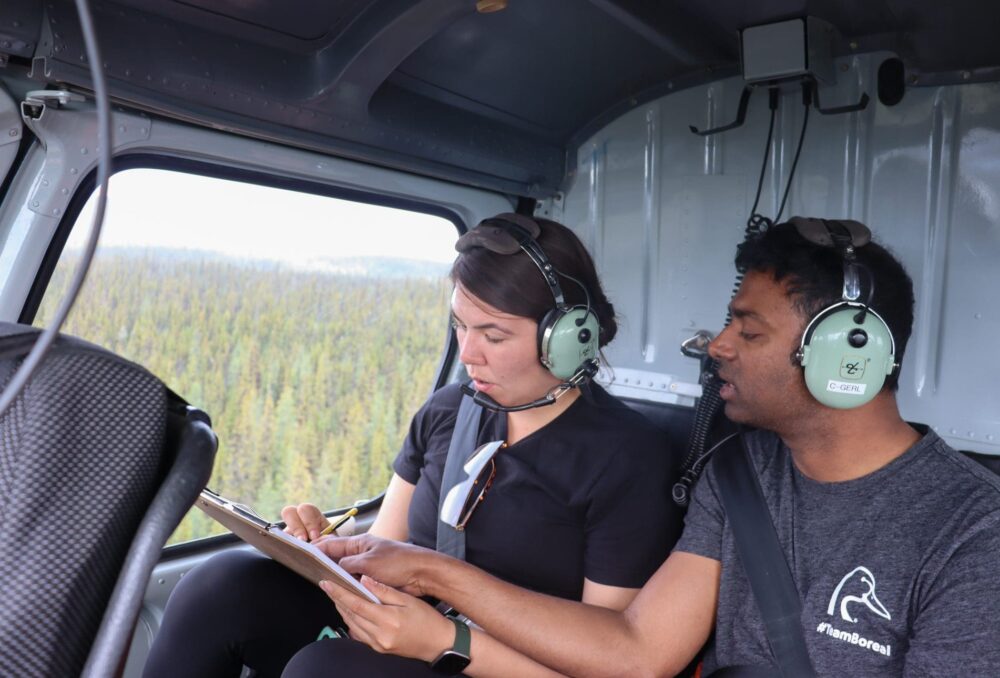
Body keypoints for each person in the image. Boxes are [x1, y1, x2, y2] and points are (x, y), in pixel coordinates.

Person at [317, 218, 1000, 677]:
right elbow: (640, 652)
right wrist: (435, 580)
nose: (717, 346)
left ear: (849, 356)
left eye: (748, 330)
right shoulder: (739, 473)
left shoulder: (971, 533)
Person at [142, 214, 682, 678]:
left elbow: (608, 660)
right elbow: (386, 545)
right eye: (459, 326)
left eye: (493, 336)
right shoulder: (450, 411)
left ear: (568, 338)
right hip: (409, 632)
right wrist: (324, 548)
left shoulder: (627, 458)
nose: (468, 353)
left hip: (497, 665)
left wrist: (447, 640)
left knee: (326, 670)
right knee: (219, 586)